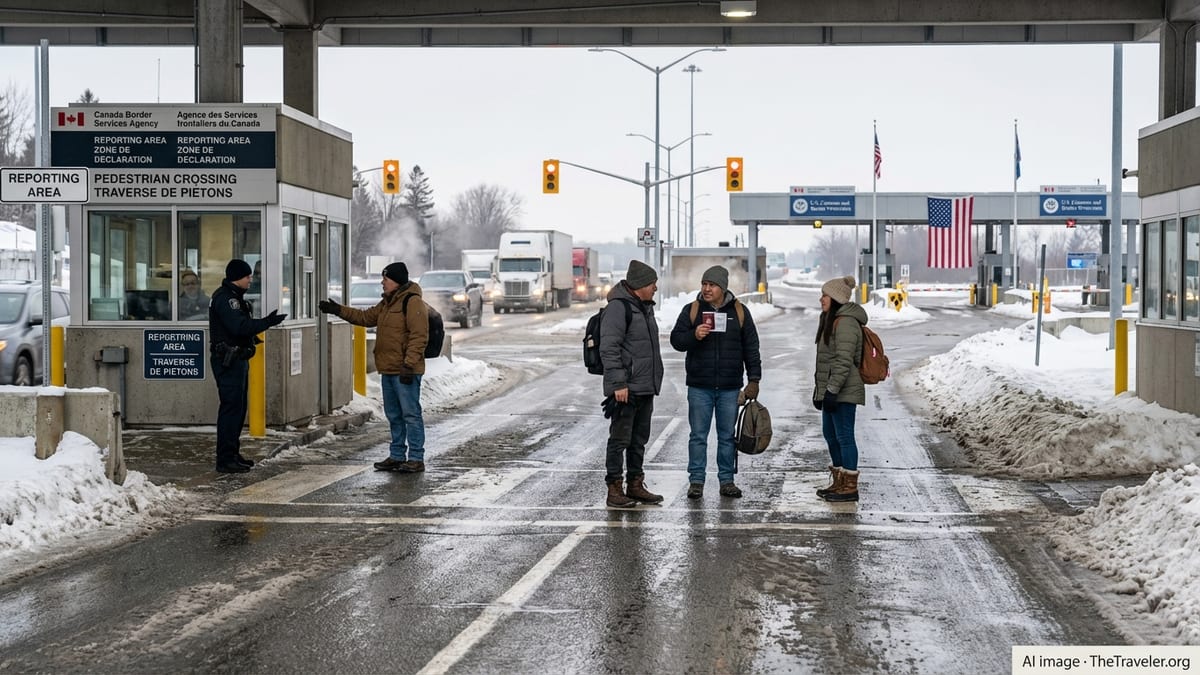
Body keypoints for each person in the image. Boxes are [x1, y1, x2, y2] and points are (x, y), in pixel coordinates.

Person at [318, 262, 429, 473]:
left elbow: (419, 336)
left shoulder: (412, 302)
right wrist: (338, 310)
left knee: (410, 414)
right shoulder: (386, 303)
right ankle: (397, 455)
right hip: (388, 368)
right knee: (394, 415)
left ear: (396, 281)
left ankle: (416, 457)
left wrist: (409, 364)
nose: (382, 282)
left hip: (405, 370)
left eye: (385, 279)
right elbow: (365, 318)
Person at [670, 265, 762, 499]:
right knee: (698, 436)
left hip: (730, 387)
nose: (707, 289)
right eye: (704, 284)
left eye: (712, 285)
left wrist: (754, 379)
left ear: (723, 287)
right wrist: (694, 335)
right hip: (700, 385)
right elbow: (676, 340)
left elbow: (751, 347)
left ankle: (727, 480)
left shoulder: (740, 312)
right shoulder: (692, 310)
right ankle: (696, 481)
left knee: (727, 436)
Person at [209, 258, 287, 473]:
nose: (250, 280)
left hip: (237, 359)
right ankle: (225, 459)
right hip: (228, 361)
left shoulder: (235, 298)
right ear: (237, 277)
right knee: (231, 409)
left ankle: (232, 454)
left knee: (238, 409)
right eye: (247, 276)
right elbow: (239, 327)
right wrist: (267, 323)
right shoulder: (226, 299)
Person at [599, 259, 665, 508]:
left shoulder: (644, 307)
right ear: (639, 285)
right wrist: (618, 384)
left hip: (644, 386)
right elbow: (609, 347)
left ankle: (635, 485)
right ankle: (614, 489)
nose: (655, 288)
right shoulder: (619, 308)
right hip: (626, 388)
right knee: (620, 439)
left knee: (639, 439)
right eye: (652, 284)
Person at [813, 275, 867, 502]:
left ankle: (849, 487)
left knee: (844, 436)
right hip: (832, 389)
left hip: (843, 389)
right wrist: (820, 392)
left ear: (835, 298)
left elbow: (843, 361)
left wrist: (832, 390)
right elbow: (826, 361)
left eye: (824, 295)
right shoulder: (830, 318)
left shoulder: (845, 322)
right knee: (831, 435)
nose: (821, 299)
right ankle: (838, 482)